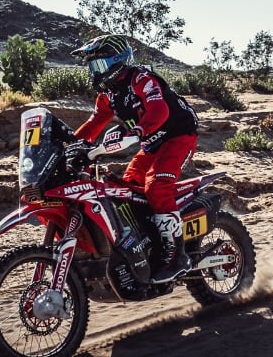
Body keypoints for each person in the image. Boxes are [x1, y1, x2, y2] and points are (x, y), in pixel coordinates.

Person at [66, 34, 199, 284]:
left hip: (179, 136)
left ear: (118, 62)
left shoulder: (141, 78)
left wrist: (137, 131)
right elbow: (94, 123)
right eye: (92, 66)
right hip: (152, 143)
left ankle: (176, 256)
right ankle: (149, 242)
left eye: (100, 65)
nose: (95, 72)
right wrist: (70, 146)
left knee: (157, 186)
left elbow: (160, 110)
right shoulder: (108, 94)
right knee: (126, 190)